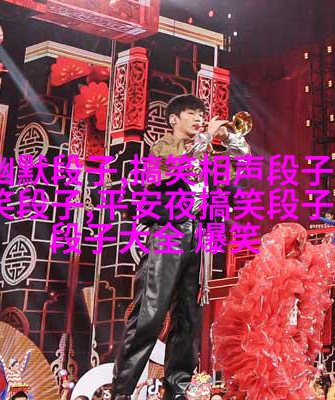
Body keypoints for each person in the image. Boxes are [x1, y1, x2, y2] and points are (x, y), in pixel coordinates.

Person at [110, 94, 250, 400]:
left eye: (201, 114)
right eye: (192, 114)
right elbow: (177, 168)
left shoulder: (208, 154)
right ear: (174, 119)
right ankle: (121, 391)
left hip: (198, 234)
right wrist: (207, 136)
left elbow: (240, 164)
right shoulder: (162, 146)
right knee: (150, 313)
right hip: (169, 231)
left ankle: (177, 389)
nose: (199, 119)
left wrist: (230, 138)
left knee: (189, 316)